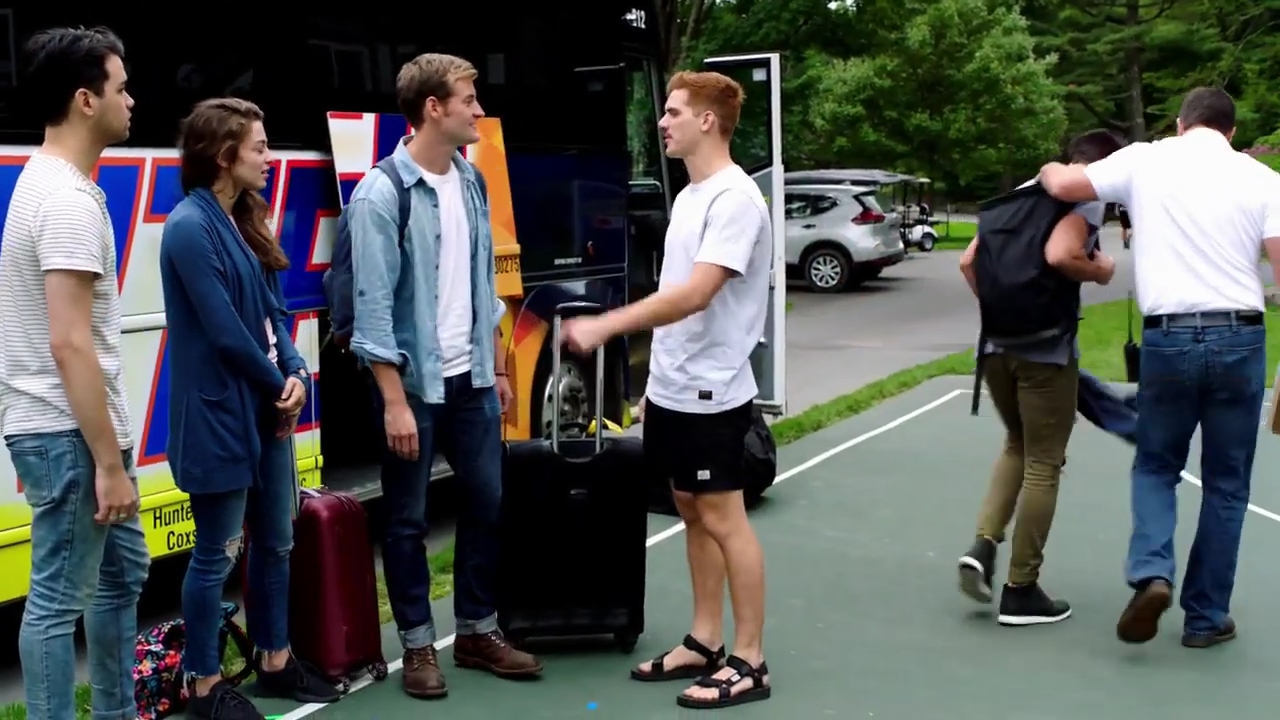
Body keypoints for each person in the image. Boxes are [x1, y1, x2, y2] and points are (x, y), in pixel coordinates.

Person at [561, 70, 773, 710]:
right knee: (690, 508)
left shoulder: (736, 199)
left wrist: (607, 325)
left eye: (674, 111)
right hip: (677, 390)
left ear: (707, 120)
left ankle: (750, 660)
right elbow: (678, 295)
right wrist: (654, 388)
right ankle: (705, 640)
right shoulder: (689, 197)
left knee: (724, 517)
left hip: (714, 393)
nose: (662, 121)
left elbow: (696, 294)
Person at [1039, 87, 1280, 647]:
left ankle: (1152, 572)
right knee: (1226, 484)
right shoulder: (1264, 180)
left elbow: (1066, 185)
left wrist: (1051, 169)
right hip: (1240, 337)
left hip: (1168, 338)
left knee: (1156, 465)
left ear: (1180, 124)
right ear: (1232, 132)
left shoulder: (1144, 160)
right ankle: (1205, 618)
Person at [347, 53, 540, 700]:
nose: (479, 110)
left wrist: (498, 366)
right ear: (434, 108)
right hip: (415, 388)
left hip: (474, 381)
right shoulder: (381, 195)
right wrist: (394, 403)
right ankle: (417, 645)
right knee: (407, 520)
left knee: (487, 502)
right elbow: (372, 311)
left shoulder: (471, 179)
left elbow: (483, 282)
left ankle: (478, 631)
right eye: (468, 99)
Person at [159, 98, 340, 720]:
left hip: (264, 406)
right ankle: (204, 685)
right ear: (223, 155)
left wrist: (295, 372)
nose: (270, 157)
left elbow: (272, 317)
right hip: (220, 415)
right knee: (216, 552)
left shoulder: (245, 218)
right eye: (259, 147)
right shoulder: (189, 226)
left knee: (277, 540)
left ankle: (276, 660)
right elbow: (226, 332)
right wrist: (279, 386)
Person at [0, 26, 150, 720]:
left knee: (123, 573)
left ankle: (118, 712)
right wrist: (108, 464)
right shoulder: (65, 200)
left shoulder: (51, 186)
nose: (132, 100)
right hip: (69, 436)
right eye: (121, 87)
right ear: (86, 100)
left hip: (70, 431)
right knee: (58, 601)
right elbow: (69, 343)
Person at [956, 129, 1124, 626]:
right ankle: (1021, 588)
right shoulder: (1085, 198)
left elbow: (969, 262)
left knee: (1016, 443)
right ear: (1105, 168)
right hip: (1045, 351)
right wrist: (1101, 271)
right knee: (1044, 463)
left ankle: (983, 545)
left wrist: (1005, 308)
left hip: (995, 345)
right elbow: (1059, 254)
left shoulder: (1019, 195)